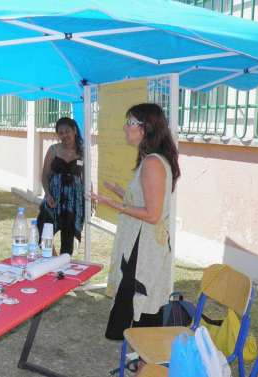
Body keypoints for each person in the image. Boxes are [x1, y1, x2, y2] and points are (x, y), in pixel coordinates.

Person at [89, 103, 180, 341]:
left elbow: (152, 214)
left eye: (130, 122)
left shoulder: (152, 162)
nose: (125, 127)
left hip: (145, 247)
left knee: (141, 302)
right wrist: (119, 192)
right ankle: (140, 356)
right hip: (142, 243)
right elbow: (144, 199)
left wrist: (113, 204)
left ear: (145, 128)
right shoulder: (150, 160)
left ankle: (144, 358)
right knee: (134, 301)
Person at [37, 117, 85, 255]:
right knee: (43, 231)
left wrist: (88, 199)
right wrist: (47, 193)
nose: (64, 135)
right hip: (54, 198)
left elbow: (86, 178)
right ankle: (54, 259)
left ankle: (63, 266)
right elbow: (44, 175)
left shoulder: (83, 152)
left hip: (73, 201)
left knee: (67, 240)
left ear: (74, 131)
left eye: (67, 131)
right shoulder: (53, 150)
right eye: (60, 133)